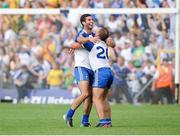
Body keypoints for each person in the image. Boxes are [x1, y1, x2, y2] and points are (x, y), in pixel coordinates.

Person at [72, 27, 114, 127]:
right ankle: (108, 121)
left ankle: (103, 122)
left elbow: (78, 39)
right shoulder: (104, 44)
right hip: (109, 71)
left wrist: (86, 40)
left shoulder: (92, 45)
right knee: (104, 98)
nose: (94, 32)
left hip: (100, 72)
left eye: (97, 32)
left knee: (96, 98)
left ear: (98, 35)